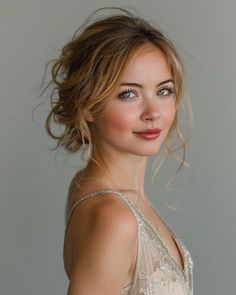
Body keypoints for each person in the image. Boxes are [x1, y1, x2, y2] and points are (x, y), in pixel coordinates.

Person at [45, 7, 193, 295]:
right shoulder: (114, 216)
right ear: (88, 106)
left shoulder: (90, 184)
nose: (153, 112)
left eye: (163, 90)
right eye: (128, 94)